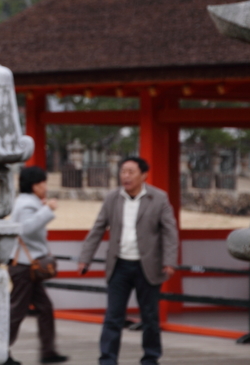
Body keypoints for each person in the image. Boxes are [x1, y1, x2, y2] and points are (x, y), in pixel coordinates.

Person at [78, 156, 179, 365]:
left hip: (147, 266)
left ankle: (150, 358)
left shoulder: (159, 198)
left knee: (150, 317)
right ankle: (107, 359)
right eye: (123, 171)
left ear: (144, 175)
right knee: (113, 316)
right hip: (119, 265)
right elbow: (98, 228)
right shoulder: (113, 198)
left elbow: (170, 232)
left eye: (131, 172)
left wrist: (169, 260)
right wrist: (85, 258)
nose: (126, 176)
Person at [6, 166, 68, 365]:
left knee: (44, 308)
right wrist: (48, 210)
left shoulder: (27, 202)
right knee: (17, 311)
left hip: (27, 267)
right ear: (34, 185)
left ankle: (48, 351)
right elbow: (26, 229)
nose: (45, 187)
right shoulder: (26, 204)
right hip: (25, 267)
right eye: (43, 183)